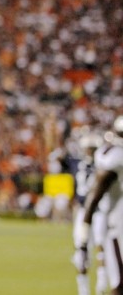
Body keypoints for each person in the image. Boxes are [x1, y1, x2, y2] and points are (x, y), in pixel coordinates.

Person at [76, 116, 123, 295]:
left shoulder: (114, 156)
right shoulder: (114, 155)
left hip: (118, 227)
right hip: (111, 219)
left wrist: (82, 240)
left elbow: (94, 197)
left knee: (119, 285)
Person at [73, 130, 111, 295]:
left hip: (99, 211)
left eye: (92, 148)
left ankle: (101, 285)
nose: (89, 151)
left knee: (101, 247)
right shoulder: (78, 163)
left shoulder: (103, 164)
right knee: (81, 248)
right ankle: (84, 290)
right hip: (83, 212)